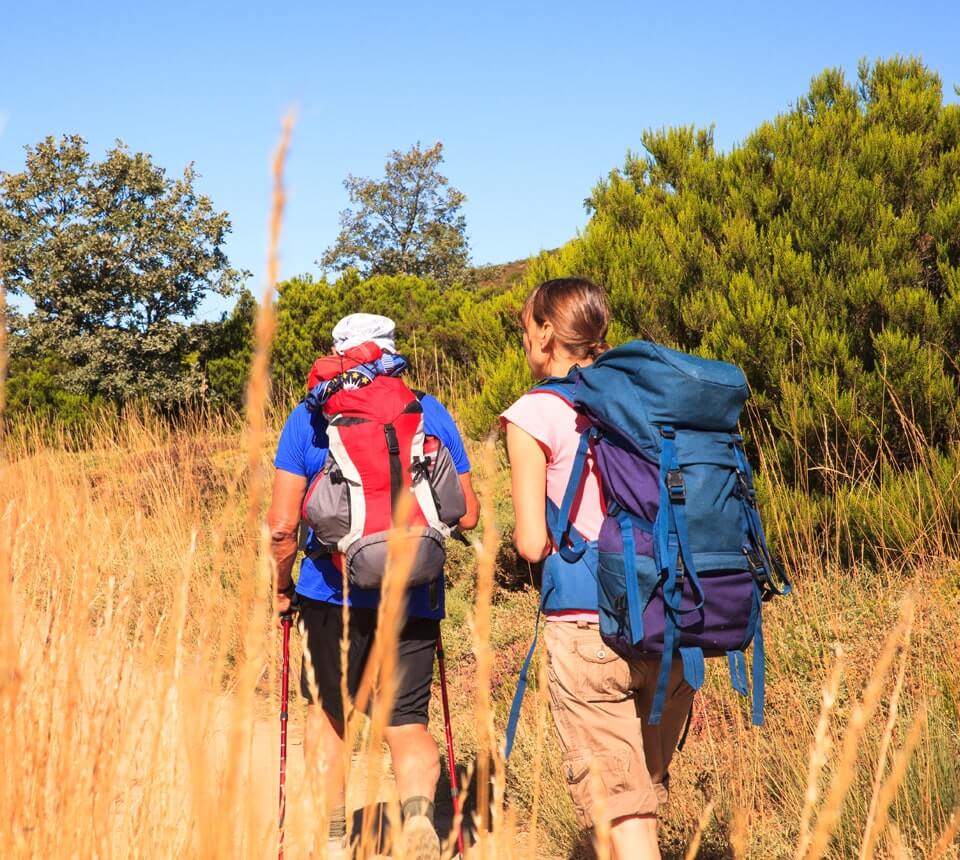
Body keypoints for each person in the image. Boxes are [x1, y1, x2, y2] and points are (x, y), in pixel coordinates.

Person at [267, 313, 479, 860]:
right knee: (407, 721)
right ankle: (416, 821)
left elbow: (283, 526)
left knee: (329, 716)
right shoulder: (428, 410)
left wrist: (282, 586)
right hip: (415, 592)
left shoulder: (309, 420)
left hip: (328, 596)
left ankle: (336, 842)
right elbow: (470, 514)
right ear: (391, 350)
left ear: (338, 354)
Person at [500, 279, 694, 860]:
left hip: (588, 628)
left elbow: (533, 543)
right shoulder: (643, 399)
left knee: (624, 812)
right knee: (638, 793)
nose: (525, 339)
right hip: (668, 622)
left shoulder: (535, 411)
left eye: (526, 327)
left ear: (544, 333)